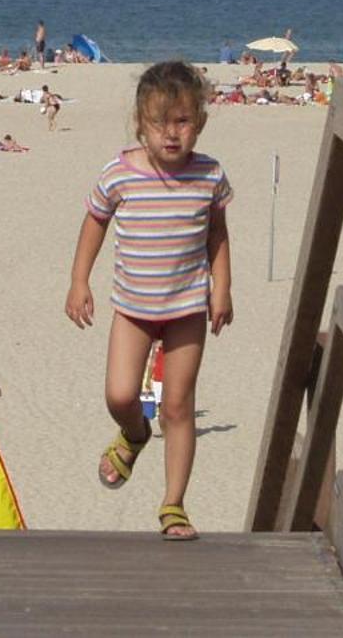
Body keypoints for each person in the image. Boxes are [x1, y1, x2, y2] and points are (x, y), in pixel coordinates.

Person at [66, 60, 232, 542]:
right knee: (119, 395)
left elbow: (217, 235)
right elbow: (95, 222)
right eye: (160, 123)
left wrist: (222, 286)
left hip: (186, 310)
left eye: (182, 121)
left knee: (178, 406)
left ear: (198, 122)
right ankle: (135, 435)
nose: (171, 134)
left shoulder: (209, 175)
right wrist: (80, 280)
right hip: (133, 308)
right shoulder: (120, 173)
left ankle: (174, 503)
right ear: (141, 124)